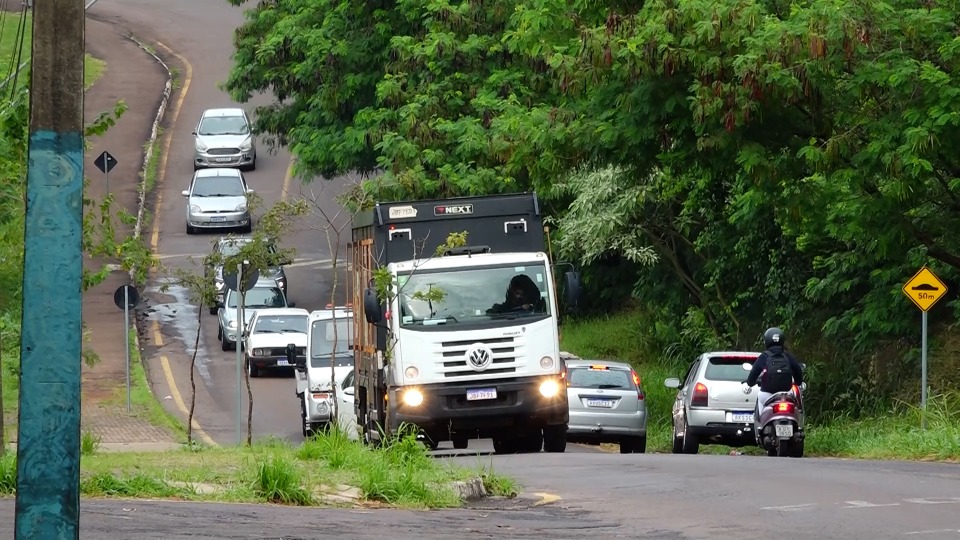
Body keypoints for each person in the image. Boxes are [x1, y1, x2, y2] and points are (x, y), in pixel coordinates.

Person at [744, 327, 804, 426]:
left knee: (759, 399)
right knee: (796, 406)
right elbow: (798, 371)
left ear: (766, 341)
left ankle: (760, 427)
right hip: (787, 394)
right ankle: (798, 427)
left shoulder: (764, 357)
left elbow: (752, 377)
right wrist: (798, 382)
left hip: (767, 394)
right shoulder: (787, 356)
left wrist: (750, 383)